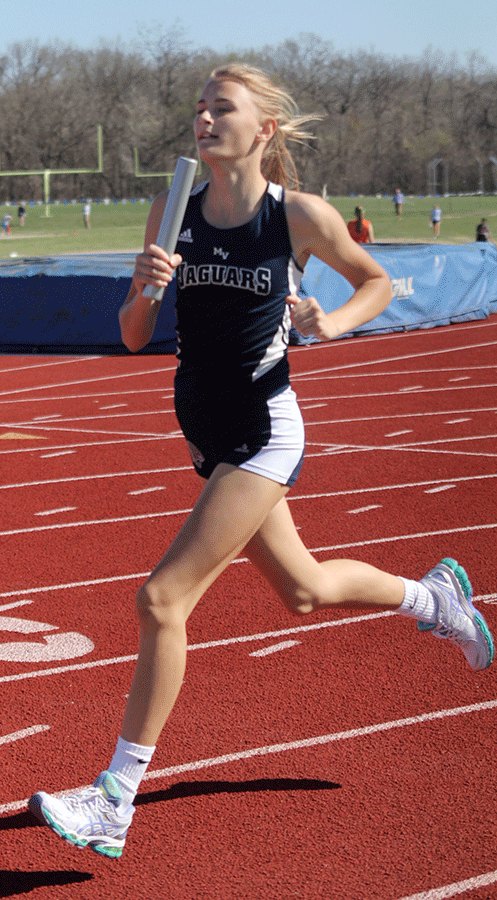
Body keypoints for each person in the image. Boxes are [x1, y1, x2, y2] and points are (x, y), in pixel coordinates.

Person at [29, 63, 494, 859]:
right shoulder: (173, 207)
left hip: (263, 431)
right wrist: (145, 288)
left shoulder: (297, 218)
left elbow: (376, 282)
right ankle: (433, 598)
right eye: (200, 109)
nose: (205, 119)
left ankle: (114, 799)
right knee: (303, 590)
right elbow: (135, 334)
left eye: (223, 108)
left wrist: (332, 321)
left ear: (263, 130)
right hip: (206, 435)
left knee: (160, 601)